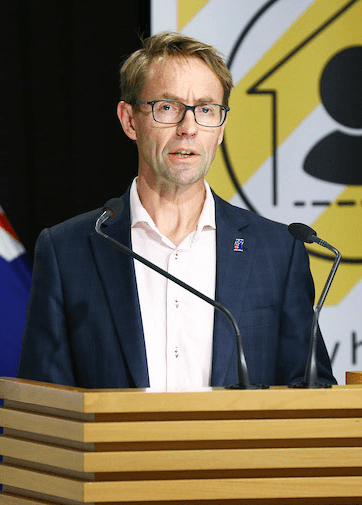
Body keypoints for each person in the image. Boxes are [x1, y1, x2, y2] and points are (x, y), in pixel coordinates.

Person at [17, 32, 335, 389]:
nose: (188, 129)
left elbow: (310, 389)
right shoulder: (68, 249)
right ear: (129, 120)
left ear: (221, 127)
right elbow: (41, 404)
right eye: (167, 107)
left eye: (205, 109)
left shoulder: (277, 250)